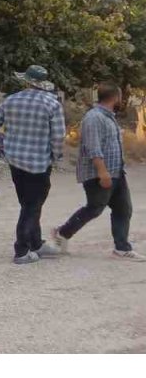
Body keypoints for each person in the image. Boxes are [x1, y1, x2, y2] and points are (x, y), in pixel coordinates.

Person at [51, 84, 144, 261]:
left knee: (123, 209)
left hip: (117, 172)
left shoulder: (108, 117)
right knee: (94, 208)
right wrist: (102, 172)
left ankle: (122, 248)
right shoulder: (94, 118)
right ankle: (63, 232)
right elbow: (93, 148)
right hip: (100, 173)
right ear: (116, 97)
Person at [0, 65, 67, 265]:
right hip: (39, 163)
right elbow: (58, 136)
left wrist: (2, 144)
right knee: (32, 206)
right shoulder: (52, 104)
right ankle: (21, 250)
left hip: (15, 160)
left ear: (26, 81)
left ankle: (36, 243)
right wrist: (55, 156)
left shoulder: (11, 100)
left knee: (28, 203)